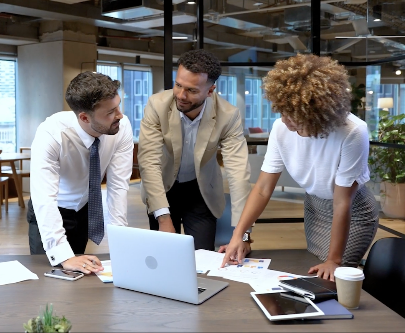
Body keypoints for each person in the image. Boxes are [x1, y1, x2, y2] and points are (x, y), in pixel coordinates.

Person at [222, 54, 379, 281]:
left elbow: (342, 201)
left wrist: (334, 260)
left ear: (318, 116)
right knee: (311, 269)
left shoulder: (353, 132)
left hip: (352, 212)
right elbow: (263, 188)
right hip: (315, 208)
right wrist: (240, 235)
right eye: (283, 113)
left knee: (334, 276)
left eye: (295, 117)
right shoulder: (281, 128)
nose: (286, 122)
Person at [138, 49, 252, 252]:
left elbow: (238, 174)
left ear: (210, 91)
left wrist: (242, 234)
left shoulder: (228, 115)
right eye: (178, 85)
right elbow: (149, 162)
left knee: (203, 258)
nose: (181, 95)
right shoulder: (157, 105)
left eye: (191, 90)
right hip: (162, 187)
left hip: (201, 191)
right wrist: (164, 220)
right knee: (163, 256)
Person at [27, 71, 134, 274]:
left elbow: (118, 187)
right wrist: (62, 254)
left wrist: (122, 245)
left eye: (118, 106)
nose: (119, 115)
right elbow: (44, 199)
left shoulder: (121, 127)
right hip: (52, 210)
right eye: (110, 112)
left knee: (78, 276)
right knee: (50, 279)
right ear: (84, 117)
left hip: (86, 209)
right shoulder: (51, 134)